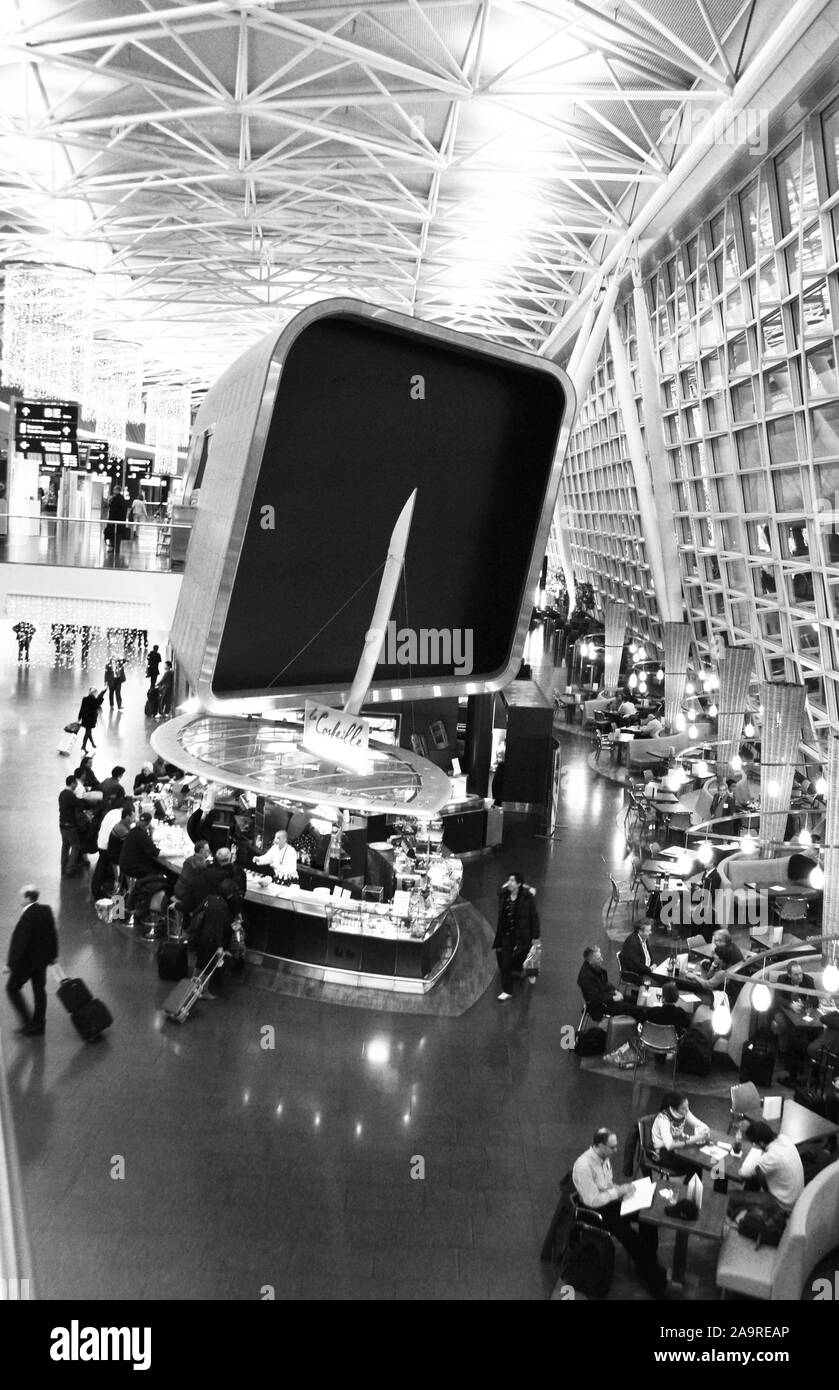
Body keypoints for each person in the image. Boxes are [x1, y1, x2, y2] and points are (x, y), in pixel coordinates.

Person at [572, 1128, 669, 1297]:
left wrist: (623, 1190)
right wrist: (619, 1192)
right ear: (600, 1145)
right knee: (631, 1238)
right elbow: (592, 1200)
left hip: (609, 1202)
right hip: (596, 1211)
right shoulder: (583, 1167)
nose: (616, 1151)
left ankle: (648, 1263)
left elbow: (607, 1184)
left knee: (648, 1217)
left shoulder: (604, 1157)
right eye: (612, 1147)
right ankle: (656, 1284)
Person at [4, 887, 58, 1037]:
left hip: (26, 962)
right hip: (41, 961)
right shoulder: (46, 910)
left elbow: (20, 943)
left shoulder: (27, 916)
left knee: (12, 989)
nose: (20, 899)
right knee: (39, 991)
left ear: (28, 898)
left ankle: (28, 1023)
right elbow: (52, 933)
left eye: (22, 896)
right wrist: (53, 956)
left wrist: (10, 964)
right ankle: (39, 1024)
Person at [728, 1120, 804, 1222]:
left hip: (782, 1204)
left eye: (755, 1143)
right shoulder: (784, 1139)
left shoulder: (772, 1156)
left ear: (761, 1143)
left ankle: (736, 1220)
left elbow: (743, 1172)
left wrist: (754, 1161)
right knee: (755, 1177)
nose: (755, 1145)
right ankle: (746, 1207)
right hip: (792, 1197)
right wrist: (751, 1127)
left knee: (731, 1195)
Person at [492, 872, 540, 1001]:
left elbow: (534, 917)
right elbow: (499, 889)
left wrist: (535, 935)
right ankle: (507, 990)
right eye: (509, 880)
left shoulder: (527, 898)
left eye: (512, 881)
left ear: (519, 884)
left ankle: (531, 973)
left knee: (529, 954)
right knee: (506, 964)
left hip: (524, 935)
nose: (509, 883)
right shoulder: (504, 895)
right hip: (507, 936)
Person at [773, 961, 817, 1086]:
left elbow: (815, 999)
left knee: (802, 1030)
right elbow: (777, 998)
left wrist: (805, 1004)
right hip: (782, 1010)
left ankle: (798, 1062)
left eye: (800, 974)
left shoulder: (808, 980)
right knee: (788, 1026)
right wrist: (790, 1004)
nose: (800, 977)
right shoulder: (781, 979)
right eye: (796, 975)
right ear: (789, 975)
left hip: (800, 1013)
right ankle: (788, 1058)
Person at [649, 1092, 710, 1178]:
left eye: (687, 1106)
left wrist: (705, 1129)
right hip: (661, 1152)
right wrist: (695, 1138)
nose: (687, 1109)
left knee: (697, 1164)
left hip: (676, 1146)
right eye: (683, 1108)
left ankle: (692, 1189)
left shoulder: (684, 1112)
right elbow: (669, 1145)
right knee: (693, 1165)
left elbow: (697, 1123)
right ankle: (688, 1189)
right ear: (674, 1109)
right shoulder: (663, 1119)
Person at [577, 946, 637, 1020]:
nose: (602, 959)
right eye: (598, 959)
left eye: (600, 956)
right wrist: (613, 998)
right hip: (599, 1006)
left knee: (635, 1000)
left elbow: (605, 983)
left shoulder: (594, 967)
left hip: (606, 996)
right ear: (590, 961)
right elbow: (595, 999)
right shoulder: (586, 978)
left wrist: (616, 991)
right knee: (632, 1009)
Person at [92, 799, 133, 899]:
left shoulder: (112, 811)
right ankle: (105, 894)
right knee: (108, 871)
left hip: (101, 842)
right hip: (108, 846)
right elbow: (122, 833)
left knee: (100, 868)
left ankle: (96, 891)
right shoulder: (119, 817)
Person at [172, 839, 213, 920]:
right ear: (201, 851)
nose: (210, 851)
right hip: (184, 894)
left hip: (178, 890)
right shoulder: (197, 862)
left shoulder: (190, 859)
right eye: (208, 850)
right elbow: (204, 867)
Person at [59, 776, 83, 878]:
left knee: (65, 846)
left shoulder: (62, 793)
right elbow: (80, 806)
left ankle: (63, 868)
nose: (76, 785)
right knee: (75, 846)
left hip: (62, 824)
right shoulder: (70, 795)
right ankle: (70, 870)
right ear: (72, 783)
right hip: (70, 826)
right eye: (76, 784)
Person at [105, 485, 130, 562]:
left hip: (115, 520)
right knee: (117, 535)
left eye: (114, 489)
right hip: (120, 520)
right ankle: (116, 549)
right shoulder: (121, 499)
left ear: (117, 490)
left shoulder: (116, 499)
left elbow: (114, 510)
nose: (113, 491)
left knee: (114, 534)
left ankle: (113, 548)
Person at [77, 686, 106, 752]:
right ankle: (84, 746)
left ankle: (90, 744)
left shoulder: (84, 699)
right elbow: (99, 702)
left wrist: (79, 717)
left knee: (88, 731)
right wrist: (103, 692)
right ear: (94, 693)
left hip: (85, 718)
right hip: (91, 719)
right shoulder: (95, 700)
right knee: (88, 732)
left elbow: (81, 708)